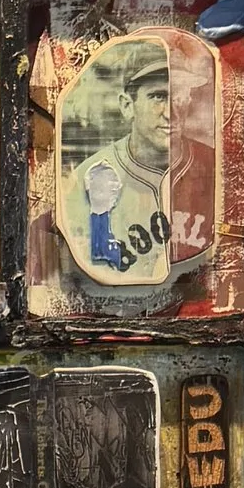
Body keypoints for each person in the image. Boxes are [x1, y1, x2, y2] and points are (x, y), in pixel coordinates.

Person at [59, 32, 214, 298]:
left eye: (179, 96)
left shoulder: (214, 167)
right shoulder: (88, 177)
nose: (170, 112)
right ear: (127, 105)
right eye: (157, 96)